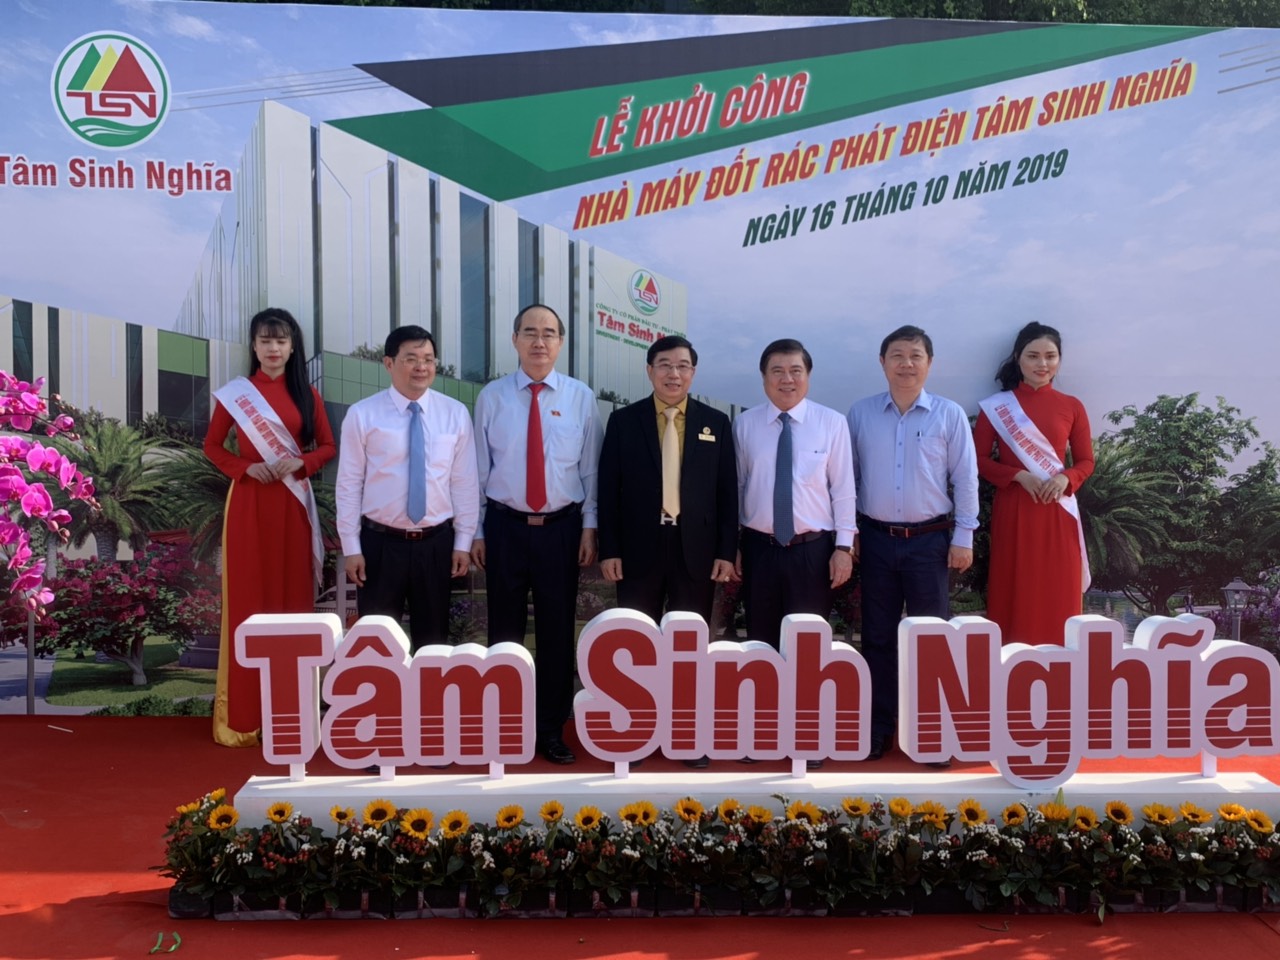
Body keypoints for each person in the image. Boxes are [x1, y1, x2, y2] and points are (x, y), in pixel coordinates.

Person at [471, 304, 603, 765]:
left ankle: (549, 728)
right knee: (504, 631)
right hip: (504, 527)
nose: (539, 341)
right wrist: (477, 531)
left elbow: (589, 469)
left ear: (561, 343)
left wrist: (590, 526)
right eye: (529, 332)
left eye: (549, 333)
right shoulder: (492, 397)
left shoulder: (581, 397)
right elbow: (478, 470)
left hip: (561, 529)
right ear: (515, 340)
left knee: (556, 632)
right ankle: (505, 725)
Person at [847, 325, 979, 763]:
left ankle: (931, 732)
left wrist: (964, 536)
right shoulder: (861, 414)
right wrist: (849, 535)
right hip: (876, 540)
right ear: (882, 362)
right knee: (878, 637)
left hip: (930, 542)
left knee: (931, 639)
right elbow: (848, 479)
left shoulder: (948, 414)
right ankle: (878, 727)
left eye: (915, 355)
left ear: (929, 363)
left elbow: (965, 478)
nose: (906, 364)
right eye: (897, 355)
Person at [205, 307, 335, 746]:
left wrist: (302, 462)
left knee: (292, 601)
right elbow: (212, 446)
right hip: (250, 503)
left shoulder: (307, 395)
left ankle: (291, 718)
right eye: (265, 340)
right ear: (254, 346)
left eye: (281, 340)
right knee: (249, 602)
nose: (273, 348)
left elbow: (327, 446)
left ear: (293, 347)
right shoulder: (237, 395)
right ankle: (243, 719)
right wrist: (244, 468)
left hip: (293, 504)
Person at [335, 326, 478, 652]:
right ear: (389, 363)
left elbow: (464, 483)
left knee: (434, 643)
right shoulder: (362, 415)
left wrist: (463, 542)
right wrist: (351, 547)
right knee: (377, 645)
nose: (421, 367)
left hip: (436, 545)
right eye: (411, 359)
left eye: (428, 359)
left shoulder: (455, 414)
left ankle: (430, 689)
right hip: (380, 546)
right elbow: (349, 484)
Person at [598, 335, 738, 623]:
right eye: (665, 365)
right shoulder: (623, 421)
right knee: (637, 632)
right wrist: (609, 550)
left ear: (692, 372)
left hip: (696, 548)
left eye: (682, 366)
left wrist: (726, 552)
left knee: (689, 634)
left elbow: (727, 492)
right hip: (638, 547)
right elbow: (608, 490)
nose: (674, 374)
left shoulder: (716, 423)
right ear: (650, 370)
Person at [974, 321, 1094, 646]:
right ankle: (1011, 665)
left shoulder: (1072, 406)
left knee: (1059, 589)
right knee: (1016, 586)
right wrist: (1017, 475)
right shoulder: (997, 407)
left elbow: (1086, 461)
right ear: (1018, 358)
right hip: (1015, 509)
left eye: (1050, 356)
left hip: (1058, 511)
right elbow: (978, 460)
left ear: (1059, 359)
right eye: (1033, 356)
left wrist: (1066, 477)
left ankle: (1062, 666)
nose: (1043, 364)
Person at [733, 337, 856, 647]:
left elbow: (843, 489)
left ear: (808, 375)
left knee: (808, 645)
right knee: (761, 642)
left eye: (795, 371)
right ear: (764, 377)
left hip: (811, 553)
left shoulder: (832, 423)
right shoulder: (745, 424)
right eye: (777, 371)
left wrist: (843, 549)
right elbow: (737, 487)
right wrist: (731, 544)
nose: (787, 379)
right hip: (759, 550)